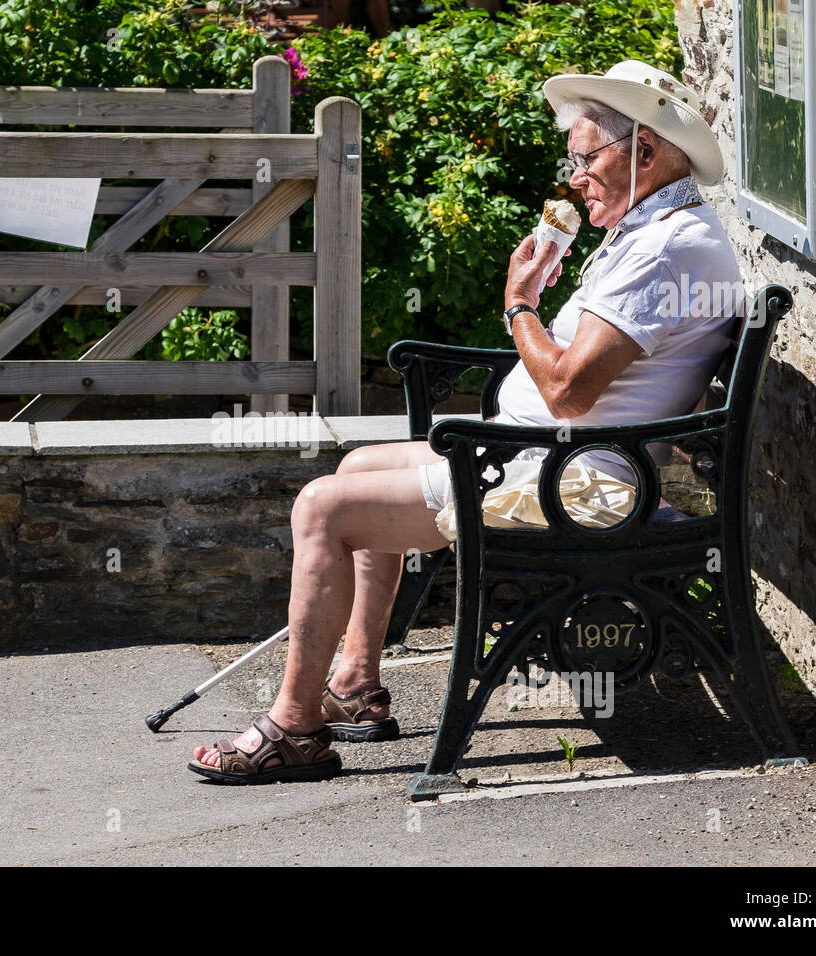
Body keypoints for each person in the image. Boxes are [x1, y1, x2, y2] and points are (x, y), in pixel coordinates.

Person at [188, 60, 744, 783]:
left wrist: (520, 305)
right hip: (545, 455)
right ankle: (354, 683)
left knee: (322, 507)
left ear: (643, 152)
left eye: (583, 158)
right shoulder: (651, 232)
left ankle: (294, 727)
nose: (573, 177)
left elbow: (571, 393)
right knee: (355, 467)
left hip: (574, 479)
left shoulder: (665, 249)